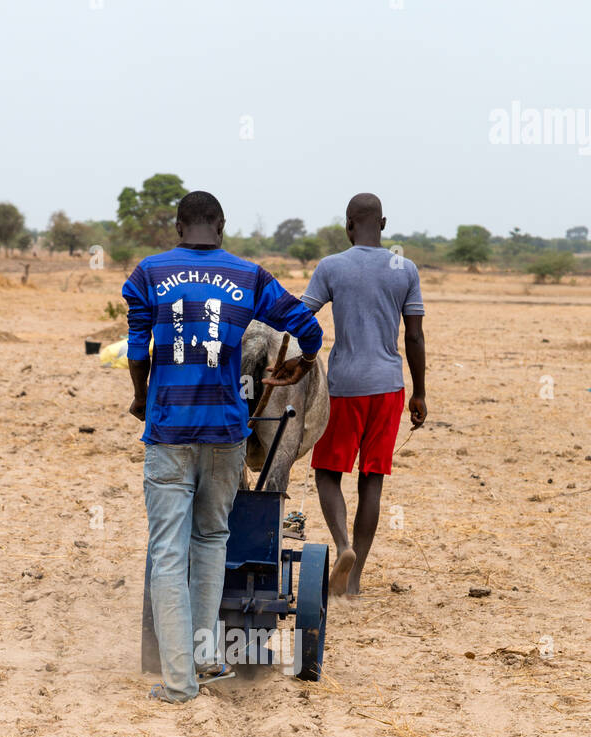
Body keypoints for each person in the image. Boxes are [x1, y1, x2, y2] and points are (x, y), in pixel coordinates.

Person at [123, 190, 323, 702]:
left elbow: (136, 348)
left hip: (170, 431)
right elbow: (306, 325)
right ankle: (207, 655)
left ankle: (178, 683)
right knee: (213, 540)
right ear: (221, 225)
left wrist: (141, 398)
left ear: (177, 226)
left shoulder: (149, 273)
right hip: (226, 433)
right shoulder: (248, 275)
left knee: (168, 554)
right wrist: (302, 362)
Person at [302, 193, 427, 596]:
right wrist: (419, 393)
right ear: (384, 224)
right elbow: (414, 335)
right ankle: (353, 582)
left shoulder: (332, 266)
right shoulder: (404, 268)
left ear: (348, 226)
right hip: (389, 387)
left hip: (344, 387)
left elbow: (301, 317)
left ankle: (342, 546)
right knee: (372, 480)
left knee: (327, 472)